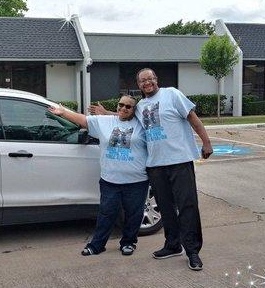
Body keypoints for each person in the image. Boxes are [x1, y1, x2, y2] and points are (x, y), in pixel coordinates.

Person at [89, 69, 213, 271]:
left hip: (179, 160)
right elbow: (125, 114)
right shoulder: (140, 107)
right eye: (143, 80)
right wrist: (107, 114)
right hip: (155, 165)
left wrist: (206, 143)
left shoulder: (172, 94)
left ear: (156, 80)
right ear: (139, 85)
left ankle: (192, 251)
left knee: (187, 206)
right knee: (166, 208)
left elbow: (192, 117)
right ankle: (172, 245)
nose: (148, 82)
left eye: (151, 78)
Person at [49, 96, 149, 256]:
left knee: (133, 215)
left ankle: (129, 243)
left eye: (128, 107)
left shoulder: (142, 126)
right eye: (121, 105)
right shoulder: (105, 122)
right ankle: (97, 245)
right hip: (110, 180)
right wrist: (63, 112)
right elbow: (83, 120)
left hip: (137, 181)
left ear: (134, 110)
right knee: (106, 213)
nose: (123, 108)